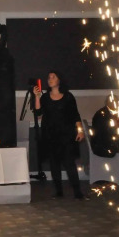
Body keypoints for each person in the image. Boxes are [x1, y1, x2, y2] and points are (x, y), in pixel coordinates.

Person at [33, 70, 87, 200]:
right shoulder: (45, 97)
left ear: (59, 80)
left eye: (53, 77)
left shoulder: (68, 96)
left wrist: (80, 130)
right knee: (54, 164)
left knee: (70, 163)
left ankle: (78, 192)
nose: (50, 79)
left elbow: (75, 115)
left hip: (66, 135)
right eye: (49, 77)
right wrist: (37, 96)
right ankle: (59, 192)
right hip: (50, 135)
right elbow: (38, 113)